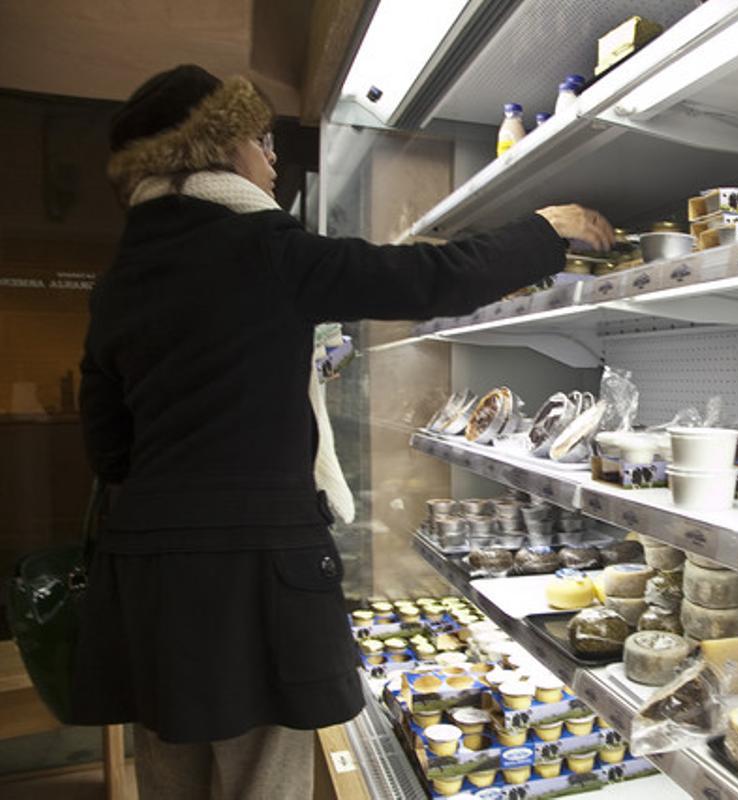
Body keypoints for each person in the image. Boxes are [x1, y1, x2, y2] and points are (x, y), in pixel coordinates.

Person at [74, 64, 613, 799]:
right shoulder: (262, 248)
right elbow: (421, 279)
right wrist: (544, 233)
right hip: (254, 568)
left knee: (173, 767)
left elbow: (107, 445)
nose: (272, 164)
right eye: (262, 143)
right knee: (261, 773)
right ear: (222, 150)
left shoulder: (118, 282)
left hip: (145, 571)